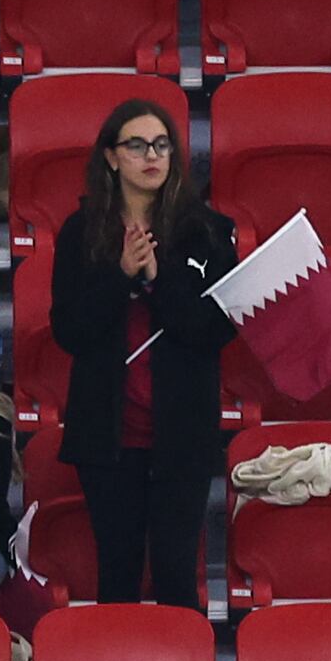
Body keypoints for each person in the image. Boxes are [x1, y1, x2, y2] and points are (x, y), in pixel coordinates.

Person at [42, 92, 234, 609]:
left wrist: (156, 279)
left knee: (175, 576)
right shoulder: (81, 233)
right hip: (108, 436)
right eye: (137, 145)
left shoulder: (208, 232)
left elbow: (214, 330)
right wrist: (120, 274)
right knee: (118, 576)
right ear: (111, 156)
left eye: (162, 145)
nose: (152, 156)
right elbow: (70, 331)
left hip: (183, 436)